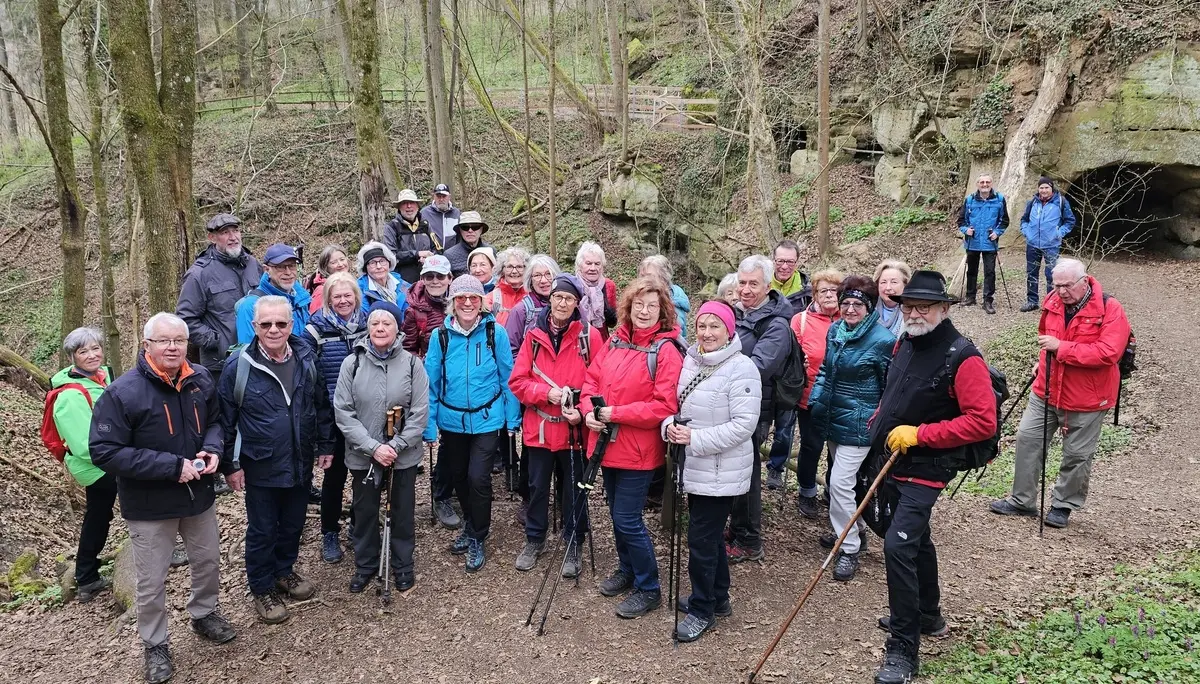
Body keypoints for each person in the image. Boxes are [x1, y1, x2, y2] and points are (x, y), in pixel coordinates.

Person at [90, 313, 235, 684]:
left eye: (179, 340)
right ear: (147, 345)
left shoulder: (200, 379)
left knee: (207, 562)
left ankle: (204, 614)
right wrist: (171, 466)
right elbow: (104, 451)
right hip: (149, 505)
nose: (172, 347)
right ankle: (155, 644)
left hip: (198, 497)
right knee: (151, 580)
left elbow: (218, 423)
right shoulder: (122, 392)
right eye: (164, 341)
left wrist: (214, 450)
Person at [868, 270, 997, 684]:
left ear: (944, 308)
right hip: (890, 458)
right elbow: (894, 392)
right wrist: (878, 420)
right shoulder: (905, 341)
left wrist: (920, 435)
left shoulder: (964, 356)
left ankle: (903, 651)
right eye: (908, 305)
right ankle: (929, 615)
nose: (914, 313)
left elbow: (982, 422)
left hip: (927, 467)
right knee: (913, 538)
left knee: (897, 546)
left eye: (924, 306)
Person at [990, 258, 1130, 528]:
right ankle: (1022, 500)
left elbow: (1108, 353)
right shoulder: (1052, 301)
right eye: (1057, 285)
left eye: (1067, 285)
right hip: (1047, 388)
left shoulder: (1110, 308)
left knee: (1077, 454)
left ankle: (1063, 505)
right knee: (1027, 439)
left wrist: (1061, 348)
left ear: (1083, 281)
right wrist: (1042, 360)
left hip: (1087, 398)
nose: (1062, 291)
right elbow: (1046, 336)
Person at [220, 296, 333, 624]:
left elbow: (321, 405)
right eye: (266, 324)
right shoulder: (238, 366)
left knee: (293, 523)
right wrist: (231, 464)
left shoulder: (307, 358)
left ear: (291, 324)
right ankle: (262, 586)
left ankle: (284, 570)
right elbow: (225, 419)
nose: (273, 329)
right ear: (254, 326)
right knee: (263, 528)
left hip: (300, 460)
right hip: (260, 463)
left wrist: (325, 445)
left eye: (280, 323)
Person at [581, 277, 683, 619]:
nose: (644, 311)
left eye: (651, 306)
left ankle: (649, 587)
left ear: (662, 311)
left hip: (637, 450)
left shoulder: (666, 350)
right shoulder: (616, 340)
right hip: (605, 445)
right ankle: (628, 570)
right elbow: (590, 380)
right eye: (639, 304)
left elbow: (663, 405)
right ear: (628, 306)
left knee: (627, 519)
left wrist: (616, 414)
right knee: (616, 514)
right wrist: (589, 412)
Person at [663, 300, 761, 642]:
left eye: (715, 326)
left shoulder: (742, 368)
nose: (707, 333)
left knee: (701, 541)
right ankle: (718, 597)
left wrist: (695, 438)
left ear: (729, 330)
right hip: (696, 466)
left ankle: (702, 609)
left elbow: (743, 426)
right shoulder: (692, 360)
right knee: (710, 537)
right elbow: (676, 406)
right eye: (702, 326)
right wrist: (670, 428)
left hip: (722, 470)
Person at [423, 275, 521, 572]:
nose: (467, 303)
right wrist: (429, 424)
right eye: (461, 298)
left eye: (473, 298)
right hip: (451, 421)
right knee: (459, 477)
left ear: (481, 302)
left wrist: (512, 418)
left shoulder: (495, 333)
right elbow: (431, 383)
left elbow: (508, 377)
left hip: (487, 418)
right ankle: (469, 522)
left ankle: (478, 534)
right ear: (452, 302)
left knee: (478, 478)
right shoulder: (440, 336)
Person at [508, 274, 604, 576]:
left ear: (577, 303)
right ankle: (535, 539)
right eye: (558, 297)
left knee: (573, 488)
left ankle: (574, 540)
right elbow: (518, 381)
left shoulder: (589, 336)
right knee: (536, 487)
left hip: (574, 428)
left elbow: (599, 382)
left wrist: (582, 408)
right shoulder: (533, 335)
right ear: (550, 299)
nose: (562, 303)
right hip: (539, 427)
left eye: (569, 298)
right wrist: (545, 393)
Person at [334, 300, 430, 593]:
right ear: (368, 327)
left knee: (402, 511)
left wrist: (397, 445)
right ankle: (365, 565)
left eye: (386, 323)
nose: (379, 328)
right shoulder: (353, 362)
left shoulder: (413, 364)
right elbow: (343, 410)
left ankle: (402, 565)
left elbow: (420, 411)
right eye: (375, 323)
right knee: (364, 512)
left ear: (397, 327)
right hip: (364, 456)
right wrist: (373, 447)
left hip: (402, 456)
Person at [808, 275, 895, 581]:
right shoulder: (835, 331)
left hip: (861, 423)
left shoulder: (883, 340)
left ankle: (850, 547)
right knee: (836, 479)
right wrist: (816, 400)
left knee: (841, 483)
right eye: (845, 303)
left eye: (858, 304)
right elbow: (824, 372)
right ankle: (851, 527)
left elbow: (890, 387)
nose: (850, 309)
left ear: (869, 308)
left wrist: (882, 423)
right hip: (832, 417)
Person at [729, 255, 794, 562]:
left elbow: (759, 367)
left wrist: (719, 375)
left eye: (753, 283)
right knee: (735, 471)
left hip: (755, 408)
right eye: (742, 282)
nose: (745, 289)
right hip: (729, 403)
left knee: (747, 473)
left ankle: (750, 539)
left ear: (768, 286)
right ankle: (737, 527)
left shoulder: (777, 324)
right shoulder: (737, 314)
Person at [303, 273, 369, 564]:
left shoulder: (370, 322)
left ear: (356, 296)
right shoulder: (315, 329)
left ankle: (359, 523)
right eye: (337, 296)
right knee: (335, 476)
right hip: (333, 414)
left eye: (348, 295)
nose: (343, 301)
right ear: (328, 299)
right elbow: (309, 375)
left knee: (364, 474)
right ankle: (329, 531)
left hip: (367, 413)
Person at [51, 327, 115, 603]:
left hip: (108, 458)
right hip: (97, 463)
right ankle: (87, 576)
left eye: (95, 348)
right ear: (72, 357)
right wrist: (122, 454)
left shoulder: (102, 377)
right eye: (83, 351)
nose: (92, 355)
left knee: (99, 514)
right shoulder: (70, 395)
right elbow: (83, 444)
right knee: (142, 500)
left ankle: (87, 575)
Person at [177, 213, 262, 376]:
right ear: (212, 237)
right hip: (221, 366)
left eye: (236, 230)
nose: (233, 237)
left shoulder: (252, 264)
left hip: (259, 357)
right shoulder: (199, 273)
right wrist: (218, 341)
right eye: (225, 233)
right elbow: (185, 319)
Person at [788, 268, 843, 518]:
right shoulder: (800, 320)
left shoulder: (851, 318)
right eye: (824, 290)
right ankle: (807, 491)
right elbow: (792, 357)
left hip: (843, 397)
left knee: (839, 449)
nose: (830, 295)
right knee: (811, 446)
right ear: (814, 295)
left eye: (835, 290)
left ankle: (833, 491)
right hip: (809, 394)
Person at [235, 243, 311, 345]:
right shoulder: (250, 306)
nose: (288, 272)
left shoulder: (301, 299)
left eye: (292, 266)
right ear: (266, 269)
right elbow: (248, 351)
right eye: (280, 267)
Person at [1019, 176, 1077, 312]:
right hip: (1032, 244)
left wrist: (1059, 233)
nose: (1044, 190)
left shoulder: (1061, 202)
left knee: (1051, 274)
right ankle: (1032, 301)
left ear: (1051, 188)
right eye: (1041, 187)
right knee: (1031, 273)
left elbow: (1070, 221)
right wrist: (1027, 232)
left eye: (1046, 187)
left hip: (1051, 245)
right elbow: (1024, 220)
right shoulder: (1033, 202)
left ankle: (1051, 303)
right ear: (1038, 189)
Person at [957, 174, 1009, 314]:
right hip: (972, 242)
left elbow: (1004, 221)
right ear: (977, 184)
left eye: (987, 182)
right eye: (982, 182)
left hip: (989, 242)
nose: (985, 184)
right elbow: (961, 221)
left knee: (990, 272)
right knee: (972, 271)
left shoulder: (999, 199)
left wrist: (997, 233)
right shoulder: (970, 200)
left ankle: (987, 300)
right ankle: (970, 296)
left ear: (991, 183)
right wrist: (966, 230)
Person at [382, 189, 443, 285]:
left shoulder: (426, 225)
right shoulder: (391, 227)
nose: (409, 206)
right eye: (404, 203)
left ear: (417, 206)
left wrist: (429, 258)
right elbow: (390, 257)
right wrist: (416, 254)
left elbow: (437, 248)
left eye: (412, 203)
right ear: (399, 207)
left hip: (428, 280)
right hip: (402, 282)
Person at [505, 254, 560, 354]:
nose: (543, 281)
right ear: (530, 280)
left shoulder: (566, 306)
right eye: (537, 275)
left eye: (548, 274)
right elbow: (510, 351)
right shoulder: (521, 310)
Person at [638, 254, 690, 342]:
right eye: (642, 276)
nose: (644, 280)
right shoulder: (643, 297)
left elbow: (675, 340)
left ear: (663, 279)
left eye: (649, 276)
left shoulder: (673, 307)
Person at [574, 241, 618, 340]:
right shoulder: (572, 285)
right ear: (580, 265)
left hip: (601, 339)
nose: (593, 268)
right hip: (577, 340)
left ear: (602, 266)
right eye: (588, 263)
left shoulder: (609, 285)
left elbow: (612, 323)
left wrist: (610, 313)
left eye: (597, 264)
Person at [356, 241, 410, 320]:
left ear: (389, 263)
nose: (379, 266)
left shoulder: (403, 285)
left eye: (382, 261)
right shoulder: (359, 290)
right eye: (372, 263)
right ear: (365, 267)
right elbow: (364, 318)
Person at [487, 247, 530, 325]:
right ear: (502, 270)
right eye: (509, 267)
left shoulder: (533, 297)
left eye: (519, 267)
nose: (514, 271)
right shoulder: (491, 299)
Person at [305, 245, 351, 315]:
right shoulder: (321, 291)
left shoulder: (351, 283)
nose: (340, 264)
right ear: (325, 267)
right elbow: (315, 320)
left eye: (342, 259)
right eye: (334, 262)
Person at [444, 211, 491, 277]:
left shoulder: (490, 251)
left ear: (481, 229)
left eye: (475, 227)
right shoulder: (449, 255)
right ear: (460, 230)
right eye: (465, 227)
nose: (470, 230)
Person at [874, 259, 912, 338]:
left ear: (905, 285)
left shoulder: (912, 311)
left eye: (894, 282)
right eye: (883, 282)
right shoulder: (868, 308)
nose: (888, 288)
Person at [770, 239, 811, 312]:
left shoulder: (808, 292)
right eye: (780, 261)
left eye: (790, 262)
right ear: (773, 261)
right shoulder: (762, 287)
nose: (784, 267)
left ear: (797, 263)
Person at [422, 183, 461, 248]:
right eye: (438, 196)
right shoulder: (424, 213)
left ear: (449, 197)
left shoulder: (456, 213)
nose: (441, 199)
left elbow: (460, 235)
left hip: (452, 254)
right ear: (434, 197)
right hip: (431, 255)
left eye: (444, 196)